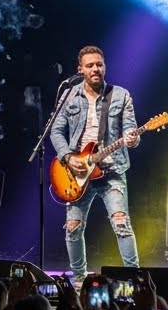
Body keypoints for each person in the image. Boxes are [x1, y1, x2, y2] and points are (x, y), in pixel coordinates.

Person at [50, 45, 142, 273]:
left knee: (121, 223)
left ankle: (135, 278)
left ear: (105, 67)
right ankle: (79, 279)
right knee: (72, 227)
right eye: (90, 65)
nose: (95, 69)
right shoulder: (69, 95)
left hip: (112, 171)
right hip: (78, 172)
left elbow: (130, 129)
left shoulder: (120, 95)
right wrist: (67, 157)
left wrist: (133, 139)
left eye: (99, 65)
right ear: (80, 69)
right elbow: (56, 131)